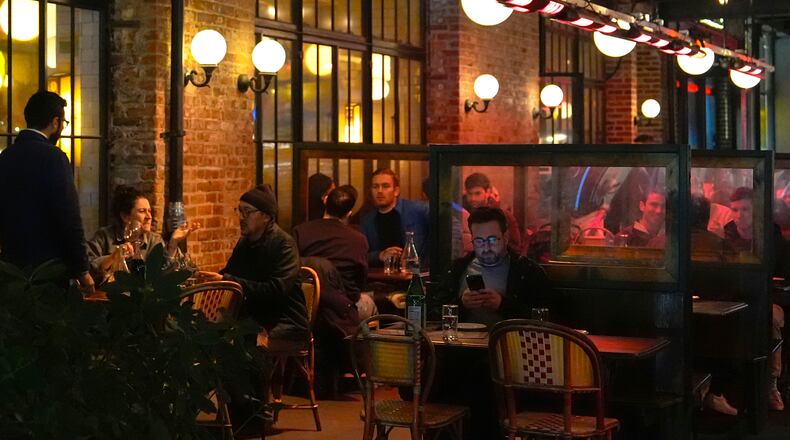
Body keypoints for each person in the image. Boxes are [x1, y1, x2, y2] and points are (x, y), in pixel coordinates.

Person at [0, 91, 94, 292]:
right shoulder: (54, 158)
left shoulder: (6, 157)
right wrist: (82, 269)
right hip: (48, 271)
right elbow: (68, 217)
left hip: (11, 268)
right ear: (55, 122)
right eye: (63, 123)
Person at [197, 184, 308, 349]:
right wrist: (209, 280)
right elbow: (230, 273)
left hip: (285, 322)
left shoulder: (284, 244)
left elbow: (276, 289)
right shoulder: (245, 243)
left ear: (266, 216)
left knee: (237, 338)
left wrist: (228, 279)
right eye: (239, 211)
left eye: (247, 212)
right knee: (203, 331)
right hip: (254, 317)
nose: (241, 217)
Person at [437, 206, 550, 327]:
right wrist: (461, 304)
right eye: (479, 241)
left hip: (508, 337)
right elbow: (435, 314)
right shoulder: (457, 268)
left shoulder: (527, 271)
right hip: (462, 337)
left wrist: (501, 304)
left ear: (505, 238)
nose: (486, 248)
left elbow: (543, 318)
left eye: (492, 240)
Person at [86, 185, 198, 284]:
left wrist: (173, 243)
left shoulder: (153, 240)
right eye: (142, 211)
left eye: (149, 211)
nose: (149, 216)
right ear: (125, 216)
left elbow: (164, 276)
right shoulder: (104, 236)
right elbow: (86, 270)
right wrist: (113, 257)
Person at [294, 185, 368, 298]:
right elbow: (361, 281)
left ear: (326, 201)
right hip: (346, 301)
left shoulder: (300, 231)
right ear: (349, 213)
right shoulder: (358, 239)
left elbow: (292, 268)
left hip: (308, 299)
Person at [360, 168, 430, 268]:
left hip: (417, 273)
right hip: (383, 275)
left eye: (385, 186)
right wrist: (380, 255)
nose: (379, 191)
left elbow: (445, 232)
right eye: (375, 187)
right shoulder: (368, 221)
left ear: (396, 191)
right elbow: (361, 256)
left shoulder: (418, 210)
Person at [462, 172, 523, 254]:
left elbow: (515, 247)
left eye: (477, 193)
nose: (473, 198)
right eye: (470, 194)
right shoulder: (461, 214)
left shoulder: (504, 216)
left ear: (488, 192)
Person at [723, 187, 754, 253]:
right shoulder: (726, 233)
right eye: (734, 210)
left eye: (745, 209)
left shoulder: (769, 234)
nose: (739, 216)